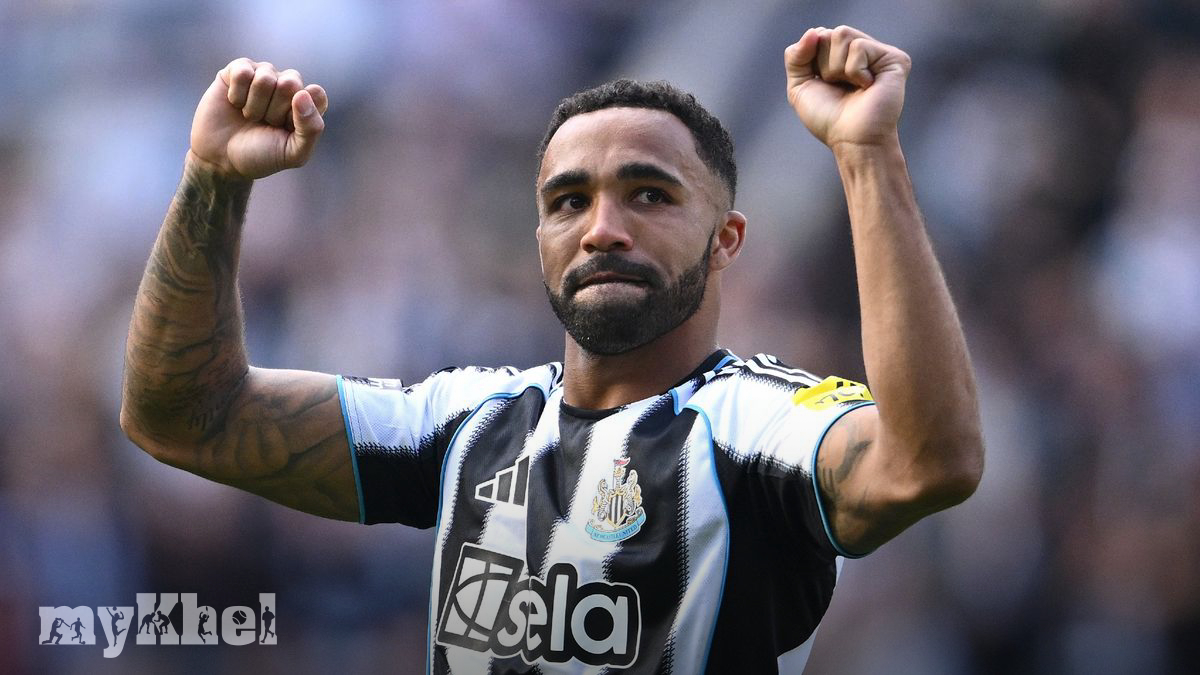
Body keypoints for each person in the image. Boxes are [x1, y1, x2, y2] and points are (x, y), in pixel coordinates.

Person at [121, 25, 983, 674]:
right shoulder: (466, 423)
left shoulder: (758, 426)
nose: (602, 228)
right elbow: (184, 416)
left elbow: (928, 461)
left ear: (726, 239)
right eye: (569, 201)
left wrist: (867, 154)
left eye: (649, 194)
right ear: (538, 238)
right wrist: (214, 178)